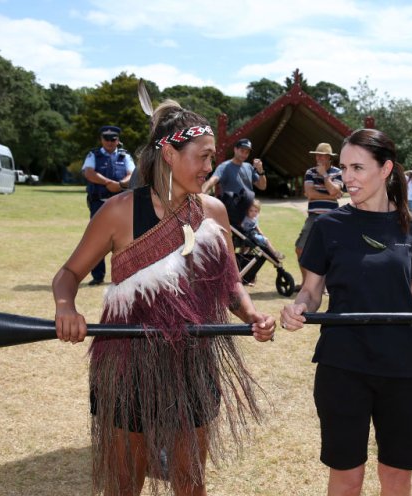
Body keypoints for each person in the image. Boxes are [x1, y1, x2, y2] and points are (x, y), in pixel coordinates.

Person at [53, 100, 275, 496]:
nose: (210, 168)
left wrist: (252, 313)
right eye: (203, 157)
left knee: (190, 483)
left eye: (213, 158)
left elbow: (228, 285)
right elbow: (68, 274)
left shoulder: (214, 212)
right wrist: (66, 307)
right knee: (124, 485)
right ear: (170, 154)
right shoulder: (119, 212)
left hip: (194, 360)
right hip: (128, 365)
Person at [279, 128, 412, 496]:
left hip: (403, 368)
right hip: (343, 366)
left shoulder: (411, 225)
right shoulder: (328, 225)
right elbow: (312, 290)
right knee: (347, 479)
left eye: (357, 167)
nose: (346, 178)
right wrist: (298, 308)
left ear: (386, 170)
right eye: (343, 168)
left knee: (397, 478)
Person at [82, 125, 137, 286]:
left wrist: (119, 185)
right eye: (106, 139)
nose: (110, 142)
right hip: (99, 203)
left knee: (123, 239)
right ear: (101, 140)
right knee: (97, 240)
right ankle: (98, 276)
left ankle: (123, 274)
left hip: (121, 203)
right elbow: (89, 173)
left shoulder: (124, 156)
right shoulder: (93, 155)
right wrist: (108, 183)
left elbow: (132, 174)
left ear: (118, 140)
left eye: (113, 139)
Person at [294, 142, 343, 290]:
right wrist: (332, 197)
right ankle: (306, 284)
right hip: (314, 216)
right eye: (317, 155)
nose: (318, 158)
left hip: (333, 217)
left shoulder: (337, 172)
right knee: (300, 248)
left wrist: (324, 175)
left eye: (321, 155)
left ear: (329, 158)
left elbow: (335, 190)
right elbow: (310, 193)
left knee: (331, 252)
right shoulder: (310, 172)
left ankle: (327, 285)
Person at [200, 138, 266, 225]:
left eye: (247, 152)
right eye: (242, 151)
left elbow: (262, 186)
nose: (244, 154)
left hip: (248, 212)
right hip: (233, 212)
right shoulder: (224, 167)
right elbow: (213, 180)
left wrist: (261, 171)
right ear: (235, 149)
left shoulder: (249, 167)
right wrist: (200, 194)